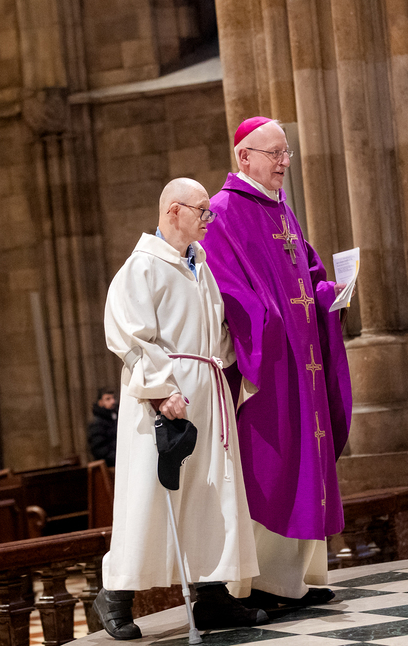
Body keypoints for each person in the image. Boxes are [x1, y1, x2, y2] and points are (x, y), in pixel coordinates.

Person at [96, 178, 261, 639]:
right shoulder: (142, 267)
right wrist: (160, 389)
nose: (209, 219)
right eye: (202, 211)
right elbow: (128, 336)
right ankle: (115, 596)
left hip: (207, 394)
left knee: (211, 493)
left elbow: (215, 331)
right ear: (173, 211)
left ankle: (212, 594)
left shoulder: (200, 266)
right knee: (149, 496)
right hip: (164, 399)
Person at [199, 117, 351, 608]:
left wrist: (327, 294)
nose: (285, 162)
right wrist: (270, 322)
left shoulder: (282, 209)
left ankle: (293, 580)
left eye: (287, 153)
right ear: (244, 157)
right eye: (275, 154)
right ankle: (256, 583)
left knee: (307, 464)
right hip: (270, 365)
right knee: (272, 468)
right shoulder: (223, 212)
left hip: (303, 361)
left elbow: (307, 270)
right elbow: (225, 287)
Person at [88, 388, 119, 467]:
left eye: (113, 398)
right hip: (109, 465)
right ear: (100, 402)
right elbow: (100, 451)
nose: (113, 401)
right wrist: (119, 457)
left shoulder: (116, 417)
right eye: (108, 399)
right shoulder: (97, 424)